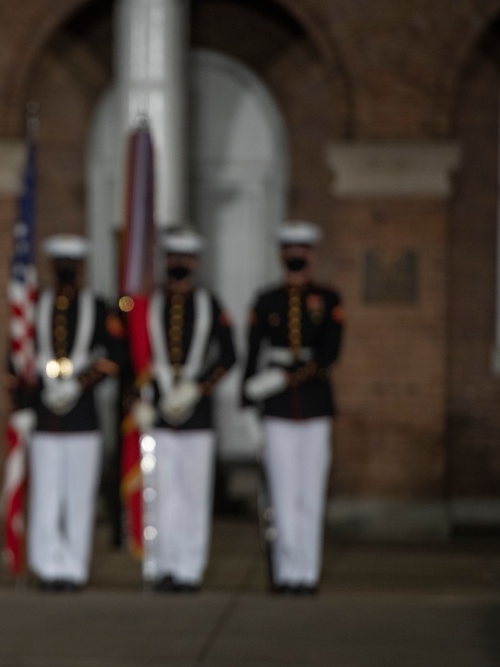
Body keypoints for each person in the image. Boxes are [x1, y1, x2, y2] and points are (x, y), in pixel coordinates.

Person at [17, 233, 126, 592]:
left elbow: (116, 356)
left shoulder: (98, 306)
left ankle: (75, 568)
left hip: (82, 418)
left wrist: (81, 383)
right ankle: (48, 566)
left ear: (80, 267)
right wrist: (25, 403)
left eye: (72, 263)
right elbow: (18, 356)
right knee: (46, 496)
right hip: (46, 418)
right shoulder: (35, 305)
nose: (66, 269)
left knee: (79, 498)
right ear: (52, 266)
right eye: (60, 263)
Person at [241, 220, 344, 595]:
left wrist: (290, 376)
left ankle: (307, 572)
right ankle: (286, 572)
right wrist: (247, 399)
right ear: (282, 255)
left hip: (314, 403)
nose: (296, 257)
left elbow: (330, 351)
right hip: (278, 408)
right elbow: (252, 353)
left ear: (311, 256)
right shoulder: (267, 300)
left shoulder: (329, 300)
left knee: (310, 492)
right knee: (283, 493)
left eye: (302, 251)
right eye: (290, 251)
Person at [132, 227, 236, 592]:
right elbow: (136, 357)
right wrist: (139, 399)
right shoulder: (150, 306)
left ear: (195, 262)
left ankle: (189, 568)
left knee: (192, 495)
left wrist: (199, 388)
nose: (179, 264)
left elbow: (229, 355)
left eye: (185, 258)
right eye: (173, 257)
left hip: (197, 415)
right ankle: (160, 565)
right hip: (158, 413)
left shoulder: (209, 303)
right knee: (159, 493)